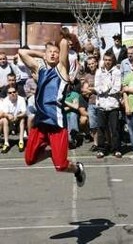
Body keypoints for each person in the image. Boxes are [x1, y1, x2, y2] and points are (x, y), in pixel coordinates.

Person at [18, 38, 86, 187]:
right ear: (45, 54)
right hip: (40, 122)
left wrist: (62, 41)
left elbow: (62, 43)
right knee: (29, 160)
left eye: (55, 52)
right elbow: (22, 52)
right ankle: (50, 153)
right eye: (50, 52)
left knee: (61, 166)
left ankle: (77, 169)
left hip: (56, 123)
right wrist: (41, 53)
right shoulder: (39, 70)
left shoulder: (61, 69)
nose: (53, 54)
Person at [94, 52, 123, 158]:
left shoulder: (117, 72)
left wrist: (106, 90)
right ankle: (101, 149)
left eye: (109, 60)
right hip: (101, 104)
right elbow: (97, 88)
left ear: (112, 61)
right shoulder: (99, 72)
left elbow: (117, 88)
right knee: (101, 127)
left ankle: (116, 149)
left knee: (114, 128)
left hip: (113, 104)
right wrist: (106, 88)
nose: (107, 62)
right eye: (105, 60)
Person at [0, 86, 26, 153]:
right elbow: (3, 113)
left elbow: (24, 112)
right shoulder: (5, 100)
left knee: (22, 119)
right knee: (4, 120)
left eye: (14, 92)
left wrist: (17, 116)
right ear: (8, 94)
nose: (12, 93)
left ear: (17, 92)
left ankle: (21, 141)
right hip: (9, 120)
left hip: (18, 119)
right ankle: (6, 143)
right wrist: (8, 115)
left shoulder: (21, 99)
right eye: (10, 92)